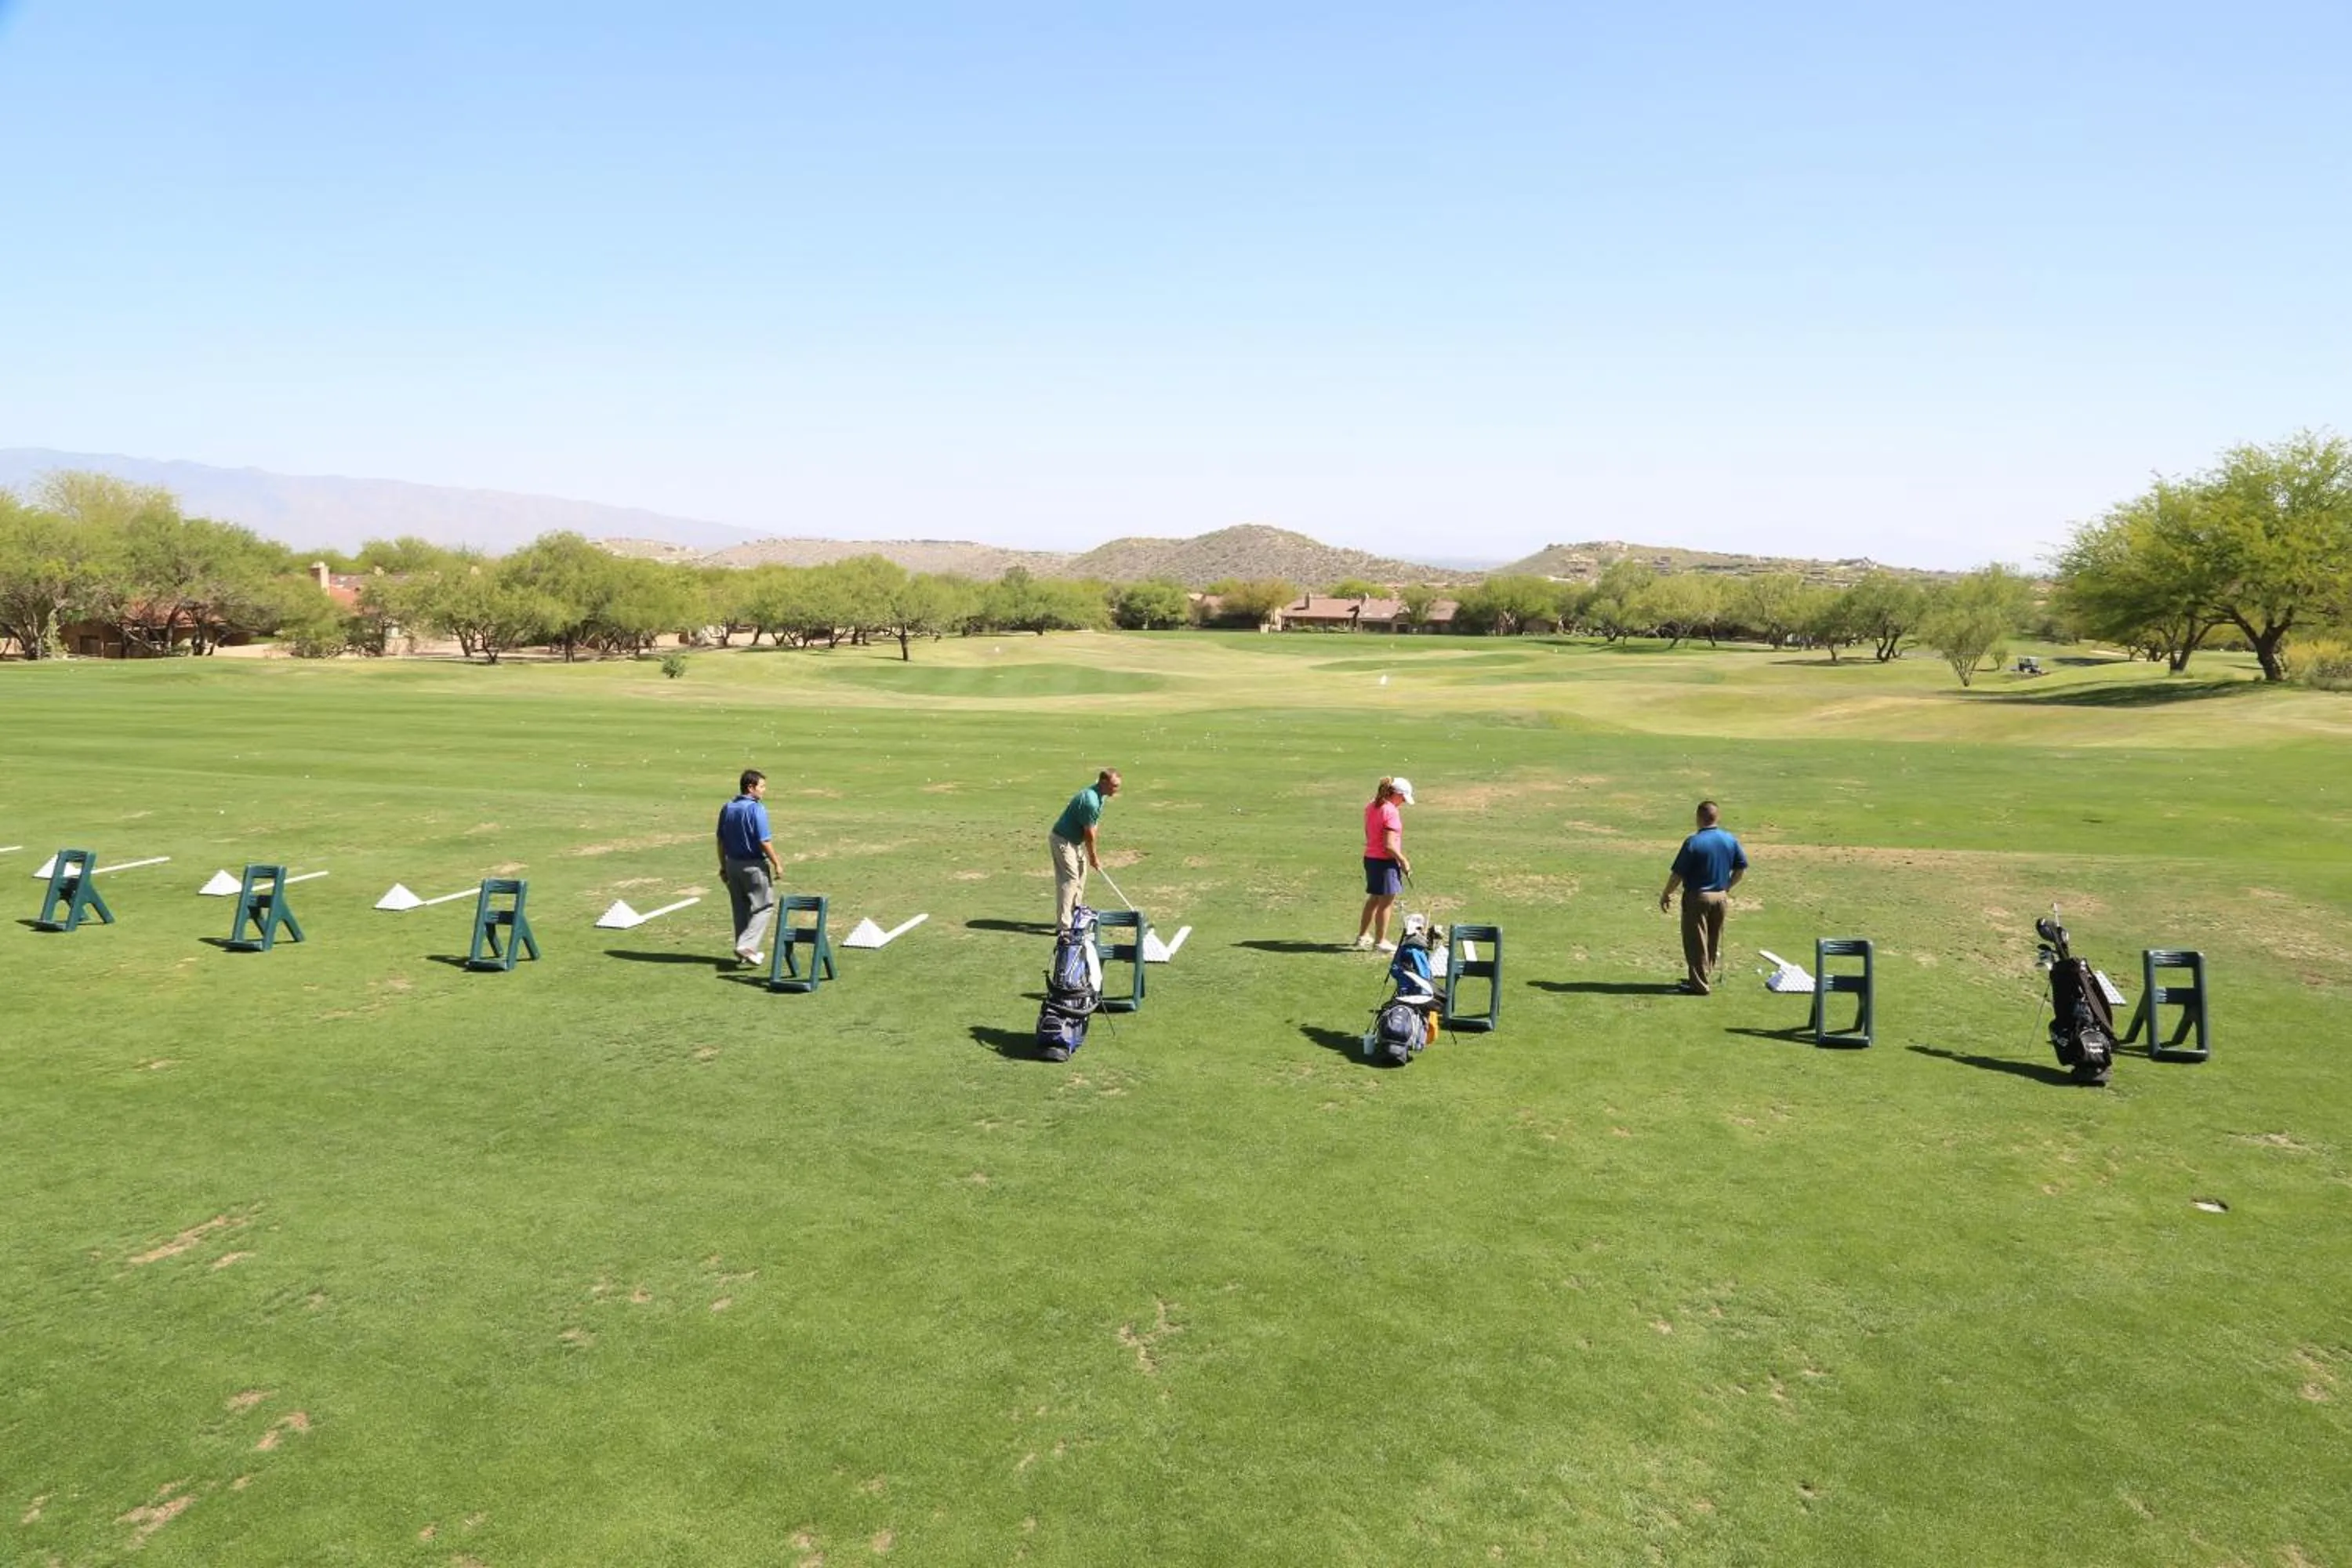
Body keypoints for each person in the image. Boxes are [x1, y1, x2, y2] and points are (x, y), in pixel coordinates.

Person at [1659, 799, 1748, 994]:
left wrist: (1666, 893)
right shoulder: (1730, 839)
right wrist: (1727, 887)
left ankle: (1699, 985)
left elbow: (1678, 875)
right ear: (1717, 816)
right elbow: (1741, 869)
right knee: (1712, 938)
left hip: (1698, 897)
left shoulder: (1694, 842)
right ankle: (1703, 975)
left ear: (1699, 817)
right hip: (1720, 897)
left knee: (1695, 941)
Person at [716, 768, 782, 966]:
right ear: (750, 787)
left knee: (740, 909)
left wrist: (723, 866)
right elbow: (763, 840)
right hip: (753, 866)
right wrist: (777, 862)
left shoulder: (728, 807)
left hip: (732, 865)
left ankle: (742, 952)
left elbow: (720, 841)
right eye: (762, 787)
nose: (764, 791)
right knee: (764, 906)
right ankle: (748, 946)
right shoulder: (756, 809)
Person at [1049, 769, 1120, 930]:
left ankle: (1075, 915)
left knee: (1081, 873)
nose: (1116, 790)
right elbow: (1089, 834)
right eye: (1114, 786)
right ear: (1103, 782)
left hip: (1074, 842)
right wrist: (1093, 857)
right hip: (1063, 840)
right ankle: (1064, 927)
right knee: (1070, 879)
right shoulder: (1090, 801)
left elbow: (1093, 826)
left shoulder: (1099, 796)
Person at [1356, 776, 1414, 952]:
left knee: (1374, 898)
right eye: (1403, 798)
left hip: (1371, 858)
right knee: (1386, 901)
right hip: (1384, 862)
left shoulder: (1372, 805)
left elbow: (1369, 832)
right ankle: (1381, 941)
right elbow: (1389, 845)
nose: (1403, 802)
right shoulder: (1391, 812)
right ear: (1396, 794)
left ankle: (1363, 936)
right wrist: (1403, 860)